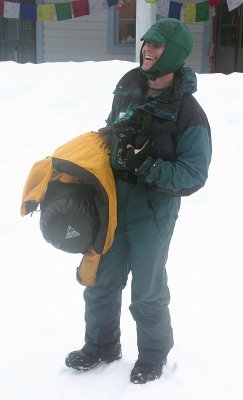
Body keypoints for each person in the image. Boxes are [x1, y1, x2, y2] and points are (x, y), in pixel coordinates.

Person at [65, 18, 212, 384]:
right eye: (147, 42)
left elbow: (193, 174)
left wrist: (145, 166)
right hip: (113, 204)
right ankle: (101, 346)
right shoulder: (128, 87)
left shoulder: (189, 113)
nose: (147, 48)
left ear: (174, 54)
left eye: (157, 45)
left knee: (147, 290)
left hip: (152, 212)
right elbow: (113, 130)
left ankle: (152, 355)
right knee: (101, 280)